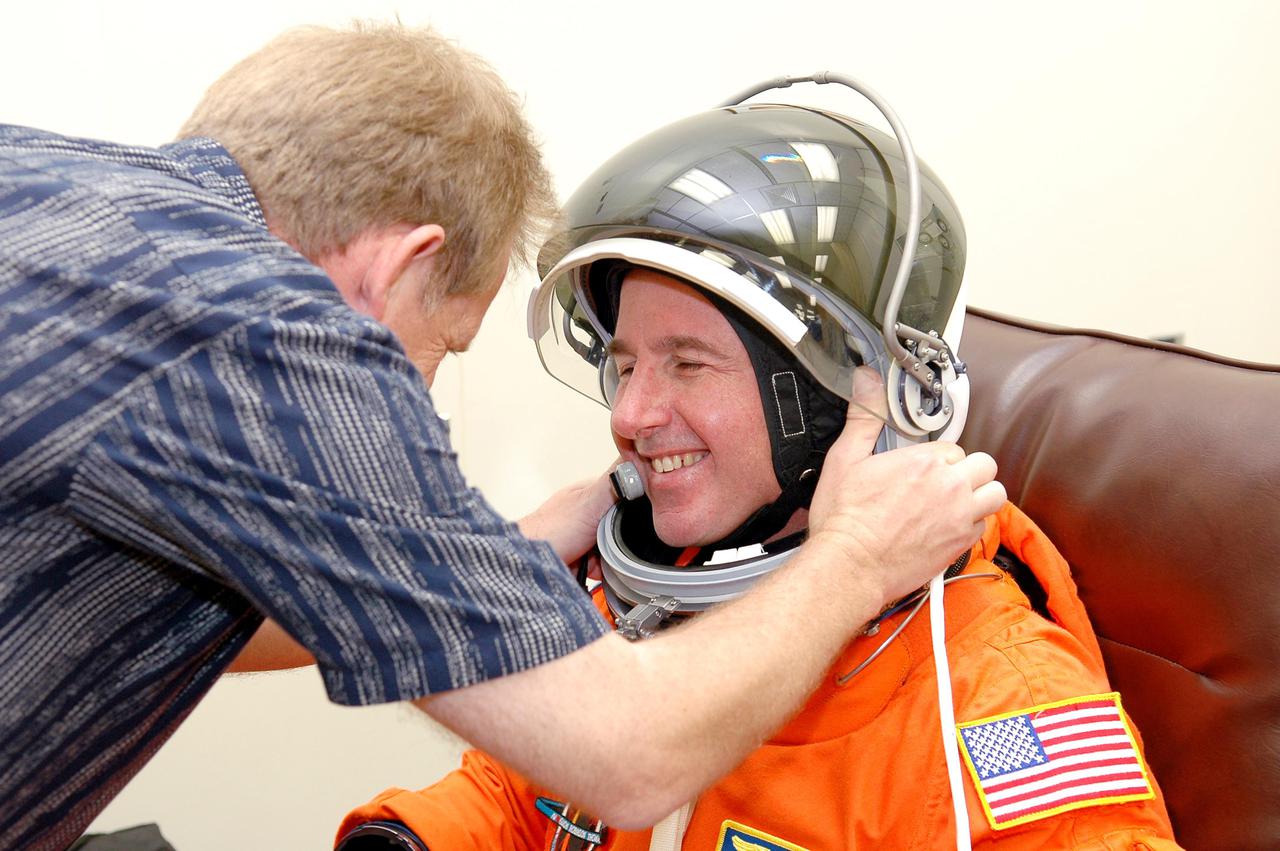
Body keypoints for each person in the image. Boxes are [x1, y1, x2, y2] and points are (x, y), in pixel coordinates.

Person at [0, 26, 1001, 850]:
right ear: (399, 269)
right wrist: (858, 553)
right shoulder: (273, 339)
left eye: (688, 362)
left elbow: (205, 595)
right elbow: (623, 757)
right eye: (438, 349)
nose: (630, 415)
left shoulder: (42, 183)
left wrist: (494, 559)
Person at [336, 96, 1181, 849]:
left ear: (836, 400)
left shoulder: (1000, 702)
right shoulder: (651, 597)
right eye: (626, 366)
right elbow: (527, 802)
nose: (629, 417)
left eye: (688, 364)